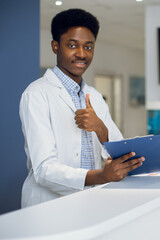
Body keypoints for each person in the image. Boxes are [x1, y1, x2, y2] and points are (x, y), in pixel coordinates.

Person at [19, 9, 144, 208]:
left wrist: (101, 129)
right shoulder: (36, 94)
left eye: (88, 47)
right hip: (50, 205)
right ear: (55, 46)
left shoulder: (93, 96)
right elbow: (44, 169)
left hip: (89, 200)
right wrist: (101, 176)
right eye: (72, 45)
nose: (81, 54)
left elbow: (120, 150)